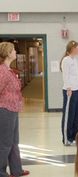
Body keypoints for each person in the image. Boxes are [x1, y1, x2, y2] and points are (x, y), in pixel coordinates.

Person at [0, 42, 30, 177]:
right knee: (5, 143)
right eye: (13, 50)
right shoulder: (2, 71)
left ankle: (16, 170)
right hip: (5, 109)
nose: (15, 52)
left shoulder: (8, 69)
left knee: (14, 142)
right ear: (7, 53)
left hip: (13, 109)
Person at [60, 40, 78, 146]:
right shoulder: (66, 60)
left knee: (76, 115)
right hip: (70, 91)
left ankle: (74, 136)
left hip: (77, 90)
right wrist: (69, 88)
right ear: (72, 49)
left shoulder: (75, 60)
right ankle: (66, 138)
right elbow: (66, 75)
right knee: (69, 115)